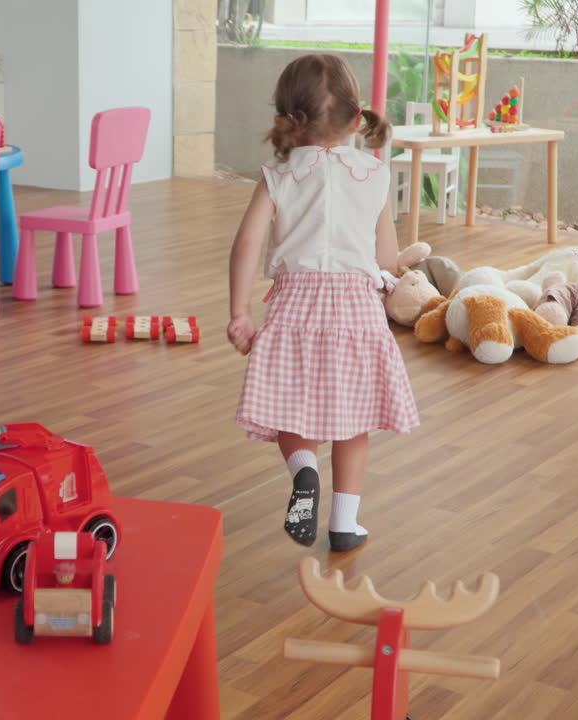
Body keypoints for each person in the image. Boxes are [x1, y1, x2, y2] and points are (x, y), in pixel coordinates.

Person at [228, 54, 426, 551]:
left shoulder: (278, 175)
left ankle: (304, 470)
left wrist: (240, 313)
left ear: (287, 117)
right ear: (357, 120)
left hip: (296, 306)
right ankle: (343, 524)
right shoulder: (374, 175)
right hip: (356, 309)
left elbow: (246, 245)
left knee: (290, 409)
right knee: (352, 420)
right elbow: (385, 256)